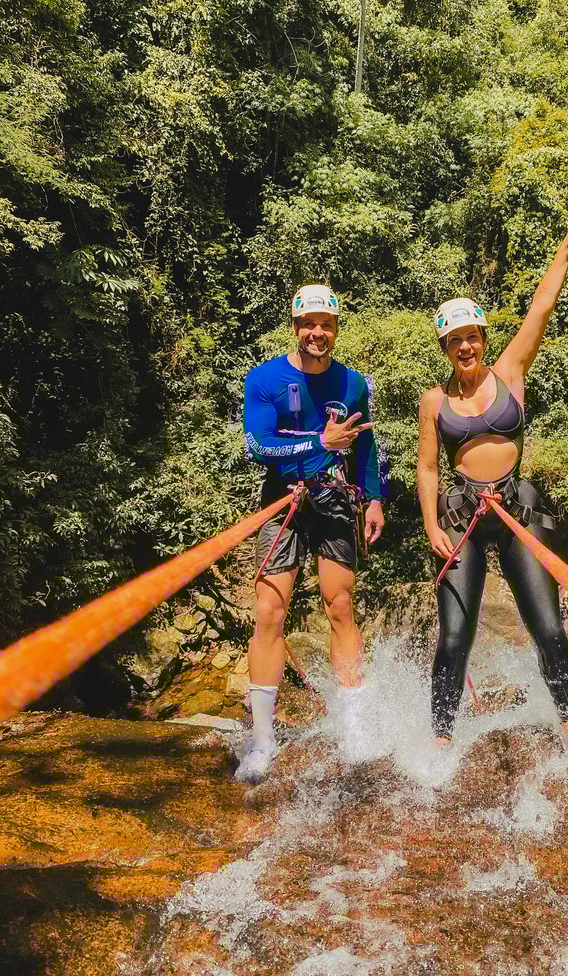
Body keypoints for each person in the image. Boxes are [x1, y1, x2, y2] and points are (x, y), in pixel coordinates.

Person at [417, 195, 568, 744]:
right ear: (446, 348)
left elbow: (541, 307)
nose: (465, 346)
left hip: (518, 507)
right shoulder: (433, 400)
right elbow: (427, 468)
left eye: (472, 336)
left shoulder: (511, 369)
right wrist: (430, 526)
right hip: (464, 513)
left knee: (547, 626)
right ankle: (440, 739)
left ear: (483, 339)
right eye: (455, 341)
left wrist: (566, 246)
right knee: (454, 637)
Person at [238, 284, 385, 782]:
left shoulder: (353, 384)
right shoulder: (264, 379)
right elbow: (257, 446)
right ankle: (261, 741)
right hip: (282, 501)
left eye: (325, 324)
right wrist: (319, 441)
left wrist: (375, 498)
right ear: (295, 327)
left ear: (336, 328)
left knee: (339, 604)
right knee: (269, 610)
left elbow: (366, 447)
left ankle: (355, 727)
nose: (316, 332)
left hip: (335, 498)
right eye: (308, 324)